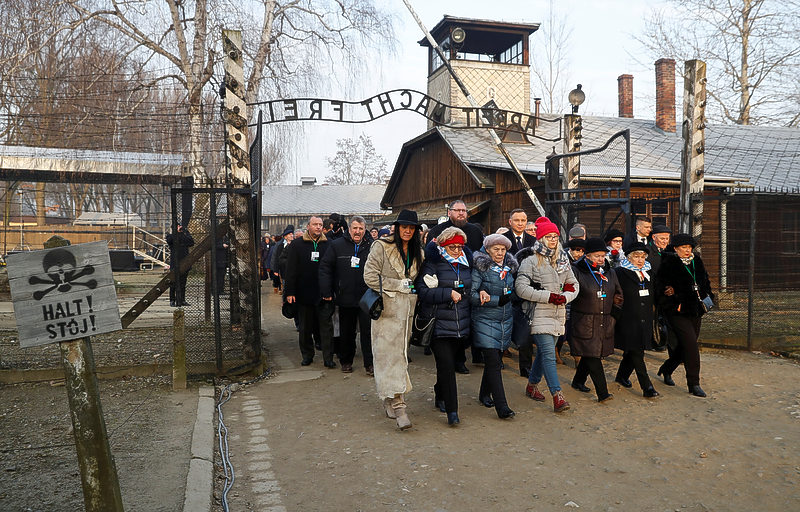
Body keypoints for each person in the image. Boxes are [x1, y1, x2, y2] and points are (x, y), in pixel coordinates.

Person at [363, 210, 424, 430]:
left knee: (400, 356)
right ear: (397, 227)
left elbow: (417, 278)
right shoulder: (381, 247)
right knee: (389, 357)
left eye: (412, 227)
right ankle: (400, 407)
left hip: (407, 312)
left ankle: (389, 397)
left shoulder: (419, 251)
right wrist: (397, 285)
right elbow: (369, 276)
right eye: (404, 227)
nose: (407, 231)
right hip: (386, 313)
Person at [515, 217, 579, 413]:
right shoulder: (531, 261)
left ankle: (532, 385)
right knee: (549, 355)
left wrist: (565, 297)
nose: (553, 239)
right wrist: (548, 296)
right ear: (541, 239)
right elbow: (520, 288)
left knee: (544, 354)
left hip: (558, 314)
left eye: (555, 236)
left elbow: (574, 284)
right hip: (539, 314)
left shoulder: (563, 261)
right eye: (549, 236)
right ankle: (557, 395)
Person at [416, 227, 473, 426]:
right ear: (443, 246)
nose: (457, 250)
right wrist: (447, 293)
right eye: (452, 247)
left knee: (445, 365)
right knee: (447, 366)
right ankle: (452, 410)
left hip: (461, 324)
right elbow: (423, 292)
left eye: (460, 246)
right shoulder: (433, 264)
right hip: (438, 324)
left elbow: (471, 288)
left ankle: (439, 393)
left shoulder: (466, 263)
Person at [426, 200, 484, 371]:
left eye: (464, 211)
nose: (461, 213)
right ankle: (451, 360)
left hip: (468, 280)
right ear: (449, 212)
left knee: (467, 324)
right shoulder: (437, 231)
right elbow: (431, 254)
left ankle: (467, 357)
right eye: (457, 210)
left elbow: (480, 255)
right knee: (448, 325)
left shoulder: (474, 231)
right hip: (445, 282)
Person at [655, 233, 714, 397]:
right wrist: (672, 295)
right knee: (692, 347)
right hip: (678, 311)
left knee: (686, 345)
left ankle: (666, 369)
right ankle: (694, 383)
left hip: (696, 309)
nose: (687, 251)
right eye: (683, 248)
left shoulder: (697, 261)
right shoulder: (668, 263)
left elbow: (705, 282)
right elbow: (660, 286)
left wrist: (708, 296)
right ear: (675, 248)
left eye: (689, 248)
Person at [569, 237, 622, 403]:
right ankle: (603, 393)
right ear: (587, 255)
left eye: (603, 255)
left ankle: (578, 381)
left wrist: (614, 314)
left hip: (605, 320)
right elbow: (571, 293)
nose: (601, 259)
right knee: (593, 355)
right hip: (584, 320)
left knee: (590, 353)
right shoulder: (576, 271)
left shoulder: (610, 272)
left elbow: (618, 294)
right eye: (597, 256)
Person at [319, 216, 374, 375]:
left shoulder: (372, 246)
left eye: (361, 229)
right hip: (345, 296)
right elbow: (325, 268)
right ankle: (346, 361)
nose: (358, 232)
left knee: (368, 332)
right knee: (346, 332)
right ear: (349, 229)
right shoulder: (336, 245)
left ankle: (369, 364)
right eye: (355, 228)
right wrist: (327, 291)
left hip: (367, 297)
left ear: (365, 230)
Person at [471, 234, 518, 419]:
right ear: (488, 250)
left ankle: (484, 394)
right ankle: (502, 406)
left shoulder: (509, 268)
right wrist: (497, 300)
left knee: (495, 360)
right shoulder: (480, 268)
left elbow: (513, 291)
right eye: (495, 249)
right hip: (485, 320)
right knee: (494, 362)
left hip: (505, 320)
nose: (499, 253)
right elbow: (472, 295)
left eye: (503, 249)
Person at [284, 216, 334, 368]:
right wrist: (290, 292)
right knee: (305, 328)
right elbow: (291, 269)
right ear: (308, 227)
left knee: (326, 328)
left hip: (324, 293)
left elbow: (333, 268)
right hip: (304, 293)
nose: (318, 227)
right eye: (315, 224)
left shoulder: (329, 244)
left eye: (320, 225)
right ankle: (307, 355)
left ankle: (328, 358)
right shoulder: (297, 245)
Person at [613, 242, 659, 398]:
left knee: (634, 351)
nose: (640, 260)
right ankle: (647, 387)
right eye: (636, 257)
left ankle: (621, 376)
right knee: (637, 353)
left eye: (642, 257)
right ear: (628, 257)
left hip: (645, 318)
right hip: (627, 318)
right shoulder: (620, 272)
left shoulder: (648, 272)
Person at [503, 208, 536, 378]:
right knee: (504, 324)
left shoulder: (533, 240)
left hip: (527, 289)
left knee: (526, 329)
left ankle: (525, 366)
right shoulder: (503, 240)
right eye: (517, 220)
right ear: (510, 222)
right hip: (506, 287)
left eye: (523, 220)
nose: (520, 223)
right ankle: (499, 355)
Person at [556, 238, 587, 364]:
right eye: (577, 250)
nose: (579, 253)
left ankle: (577, 356)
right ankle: (556, 352)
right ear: (570, 249)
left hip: (578, 299)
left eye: (582, 251)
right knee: (562, 329)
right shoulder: (563, 260)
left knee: (575, 330)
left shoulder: (583, 262)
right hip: (564, 298)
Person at [167, 223, 194, 307]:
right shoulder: (170, 236)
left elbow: (191, 242)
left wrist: (183, 232)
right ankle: (172, 300)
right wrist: (177, 233)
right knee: (173, 282)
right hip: (175, 263)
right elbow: (170, 241)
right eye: (178, 226)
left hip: (185, 262)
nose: (180, 227)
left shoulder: (184, 235)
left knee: (183, 283)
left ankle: (181, 300)